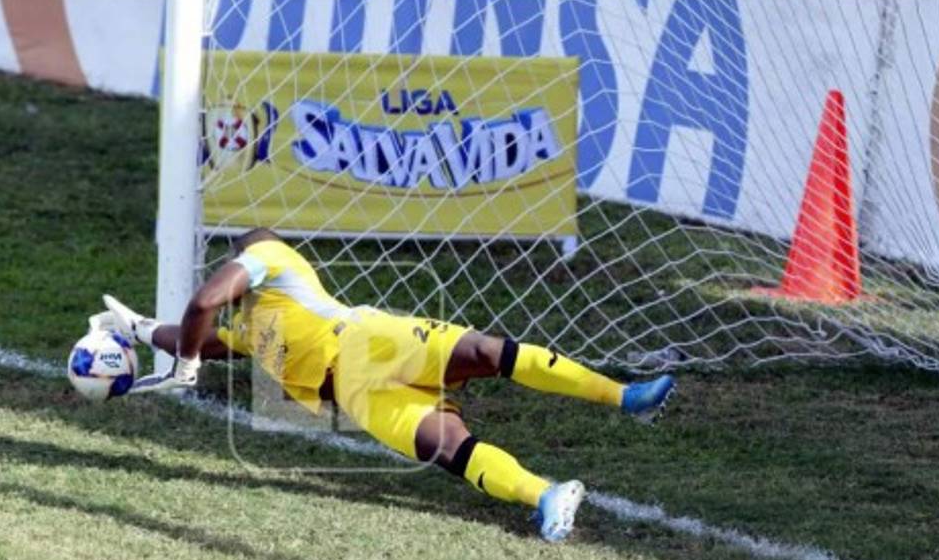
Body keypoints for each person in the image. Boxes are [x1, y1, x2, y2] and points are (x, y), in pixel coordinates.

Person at [95, 229, 675, 542]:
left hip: (368, 340)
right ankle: (546, 496)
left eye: (233, 260)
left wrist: (185, 369)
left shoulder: (270, 258)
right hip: (355, 396)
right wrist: (140, 328)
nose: (228, 269)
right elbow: (198, 332)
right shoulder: (249, 327)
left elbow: (201, 303)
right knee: (446, 448)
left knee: (484, 352)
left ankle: (624, 396)